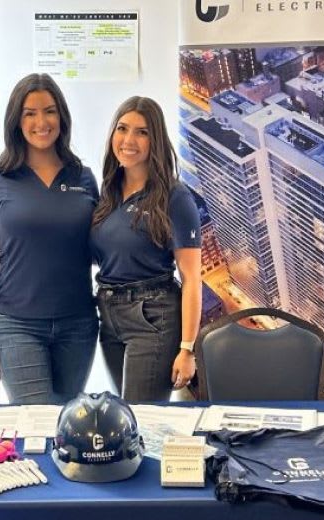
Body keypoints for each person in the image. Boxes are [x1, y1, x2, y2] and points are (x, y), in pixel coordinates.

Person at [0, 73, 99, 404]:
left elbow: (100, 246)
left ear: (62, 117)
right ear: (16, 121)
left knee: (70, 421)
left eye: (49, 111)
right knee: (35, 422)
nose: (41, 122)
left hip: (79, 324)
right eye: (30, 113)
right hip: (17, 325)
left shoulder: (83, 177)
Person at [90, 96, 202, 402]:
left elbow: (192, 278)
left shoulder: (174, 197)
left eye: (142, 132)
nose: (129, 140)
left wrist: (187, 349)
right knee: (125, 417)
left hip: (153, 316)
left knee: (143, 419)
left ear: (156, 141)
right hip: (108, 315)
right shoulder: (108, 192)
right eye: (122, 129)